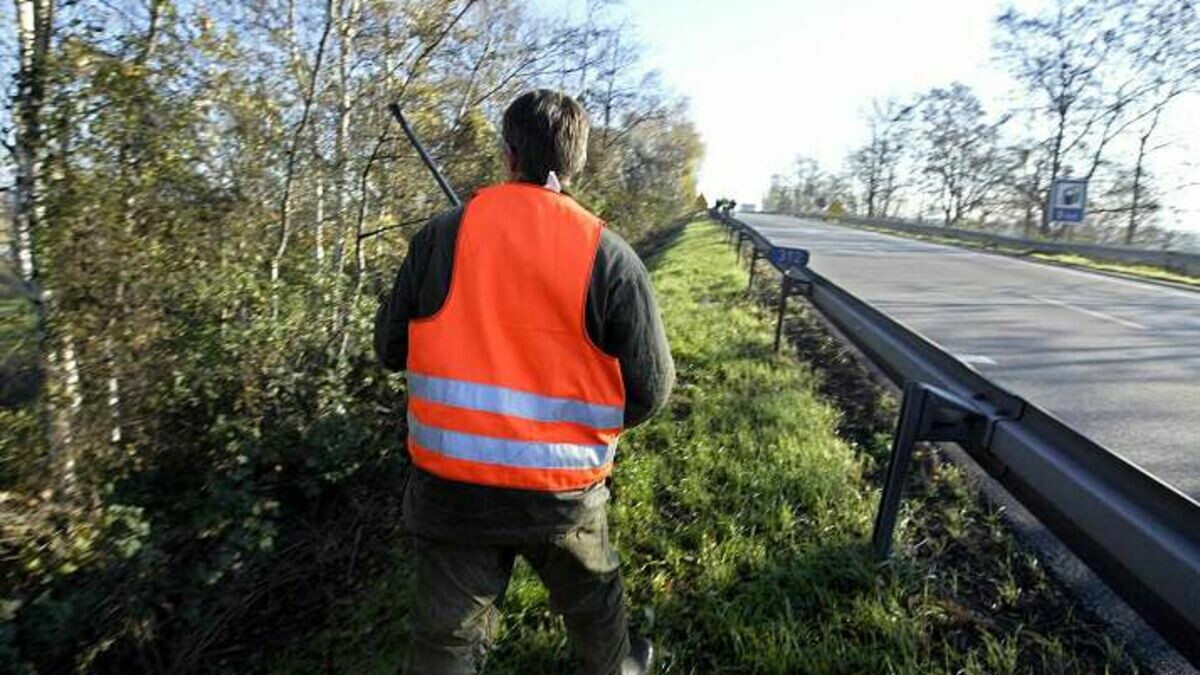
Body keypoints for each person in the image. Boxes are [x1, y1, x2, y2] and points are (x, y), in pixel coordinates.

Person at [375, 89, 674, 675]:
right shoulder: (611, 257)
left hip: (452, 491)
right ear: (577, 162)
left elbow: (389, 350)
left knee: (446, 642)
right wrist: (583, 427)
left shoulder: (438, 237)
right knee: (595, 604)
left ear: (509, 155)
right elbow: (652, 388)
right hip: (562, 494)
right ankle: (618, 667)